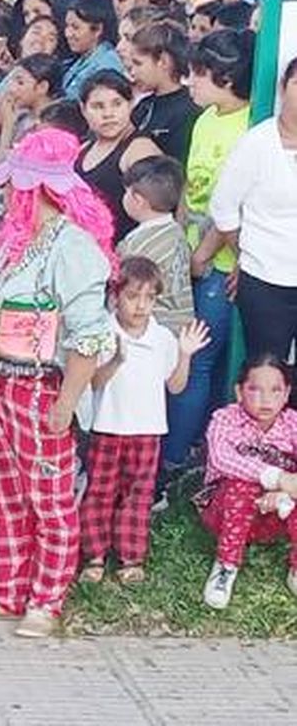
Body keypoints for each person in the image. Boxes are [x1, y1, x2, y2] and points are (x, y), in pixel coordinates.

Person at [0, 127, 115, 638]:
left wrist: (66, 403)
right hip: (4, 389)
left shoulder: (74, 248)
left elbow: (89, 336)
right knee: (5, 497)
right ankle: (7, 590)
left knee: (50, 501)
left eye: (11, 183)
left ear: (36, 186)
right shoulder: (19, 243)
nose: (1, 192)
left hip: (45, 390)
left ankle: (46, 600)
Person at [80, 257, 207, 585]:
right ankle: (94, 554)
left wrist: (185, 355)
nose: (140, 306)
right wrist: (116, 360)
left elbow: (175, 386)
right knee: (100, 491)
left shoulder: (162, 337)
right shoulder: (103, 331)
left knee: (139, 495)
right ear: (115, 296)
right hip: (107, 426)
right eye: (133, 296)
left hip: (148, 430)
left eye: (149, 298)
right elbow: (92, 382)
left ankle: (130, 557)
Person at [167, 29, 253, 482]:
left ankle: (175, 458)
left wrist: (203, 252)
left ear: (224, 76)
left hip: (219, 265)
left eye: (198, 74)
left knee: (198, 358)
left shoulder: (250, 126)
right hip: (191, 254)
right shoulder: (207, 118)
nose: (190, 82)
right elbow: (190, 187)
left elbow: (232, 204)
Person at [209, 56, 297, 367]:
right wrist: (245, 255)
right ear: (283, 87)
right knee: (268, 369)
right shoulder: (257, 143)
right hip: (264, 278)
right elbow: (223, 206)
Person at [199, 354, 297, 609]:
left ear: (287, 394)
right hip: (227, 512)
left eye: (275, 390)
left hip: (278, 515)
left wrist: (284, 492)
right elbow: (222, 459)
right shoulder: (225, 419)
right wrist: (277, 478)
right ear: (239, 391)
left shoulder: (292, 424)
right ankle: (226, 565)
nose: (266, 399)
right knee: (241, 483)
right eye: (255, 389)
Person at [76, 71, 163, 242]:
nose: (108, 114)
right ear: (83, 109)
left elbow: (157, 216)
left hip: (122, 253)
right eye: (98, 106)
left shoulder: (139, 149)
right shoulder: (84, 148)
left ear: (130, 104)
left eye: (117, 104)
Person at [119, 156, 194, 332]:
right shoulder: (177, 233)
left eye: (126, 191)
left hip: (149, 331)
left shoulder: (137, 246)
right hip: (181, 328)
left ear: (137, 199)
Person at [128, 23, 200, 165]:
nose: (132, 72)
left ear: (163, 62)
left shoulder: (188, 111)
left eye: (138, 64)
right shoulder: (144, 105)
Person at [60, 0, 125, 100]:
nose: (68, 33)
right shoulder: (82, 58)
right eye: (67, 26)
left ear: (98, 29)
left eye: (75, 28)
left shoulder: (108, 62)